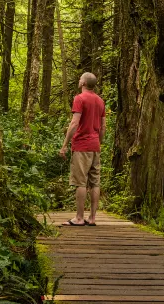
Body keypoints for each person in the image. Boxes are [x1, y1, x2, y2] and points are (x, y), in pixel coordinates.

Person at [58, 72, 106, 226]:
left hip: (82, 145)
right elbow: (103, 126)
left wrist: (65, 145)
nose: (78, 81)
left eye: (80, 79)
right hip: (95, 146)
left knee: (80, 182)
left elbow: (74, 123)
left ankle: (79, 218)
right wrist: (99, 143)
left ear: (84, 83)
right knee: (95, 182)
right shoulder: (100, 101)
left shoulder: (79, 98)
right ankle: (92, 218)